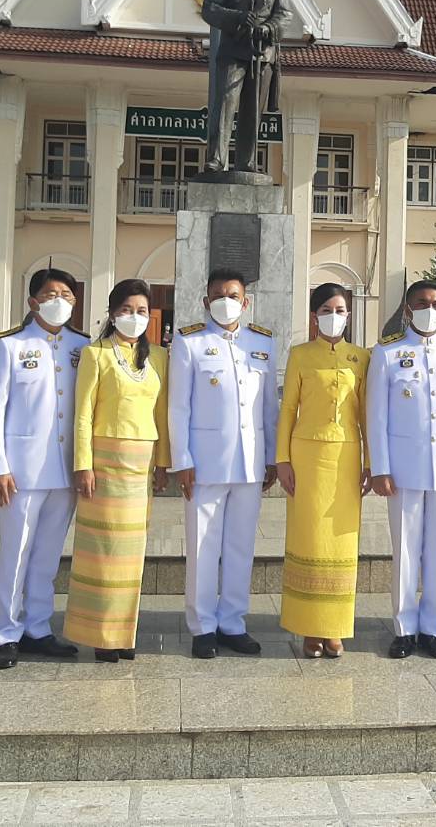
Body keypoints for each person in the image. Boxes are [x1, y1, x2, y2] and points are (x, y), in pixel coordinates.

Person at [166, 268, 278, 659]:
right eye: (218, 294)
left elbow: (268, 410)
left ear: (245, 302)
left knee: (240, 546)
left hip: (249, 465)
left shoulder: (262, 344)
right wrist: (182, 459)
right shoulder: (189, 342)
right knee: (202, 545)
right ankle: (203, 626)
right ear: (205, 300)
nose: (225, 300)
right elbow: (178, 407)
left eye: (233, 294)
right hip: (206, 464)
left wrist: (271, 459)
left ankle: (233, 622)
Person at [366, 279, 436, 660]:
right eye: (422, 303)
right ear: (408, 309)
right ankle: (403, 628)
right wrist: (380, 466)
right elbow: (376, 416)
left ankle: (433, 628)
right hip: (403, 471)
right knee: (405, 550)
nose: (430, 308)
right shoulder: (387, 353)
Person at [0, 268, 86, 670]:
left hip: (65, 470)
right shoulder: (11, 345)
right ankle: (7, 633)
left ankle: (38, 629)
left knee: (47, 555)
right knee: (16, 554)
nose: (58, 300)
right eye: (49, 293)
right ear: (32, 302)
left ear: (75, 302)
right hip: (20, 472)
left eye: (65, 293)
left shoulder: (83, 346)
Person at [63, 279, 170, 661]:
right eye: (126, 310)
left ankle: (124, 634)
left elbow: (162, 413)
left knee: (130, 554)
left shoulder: (158, 357)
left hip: (140, 466)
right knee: (101, 551)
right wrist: (83, 465)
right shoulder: (96, 354)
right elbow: (82, 414)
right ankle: (99, 635)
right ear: (112, 313)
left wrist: (163, 463)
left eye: (142, 311)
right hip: (104, 463)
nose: (134, 317)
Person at [276, 283, 369, 658]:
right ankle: (307, 630)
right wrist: (282, 459)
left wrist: (372, 463)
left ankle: (335, 630)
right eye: (328, 309)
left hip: (346, 457)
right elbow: (287, 410)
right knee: (308, 538)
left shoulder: (361, 358)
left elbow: (367, 415)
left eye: (341, 309)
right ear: (315, 315)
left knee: (341, 543)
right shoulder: (300, 355)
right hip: (307, 457)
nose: (335, 316)